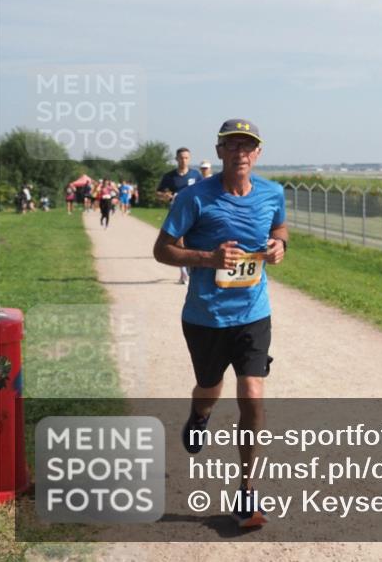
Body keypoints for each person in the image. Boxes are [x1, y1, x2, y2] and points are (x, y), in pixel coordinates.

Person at [152, 118, 287, 529]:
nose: (240, 153)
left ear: (257, 153)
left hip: (253, 313)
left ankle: (247, 491)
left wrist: (280, 244)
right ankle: (199, 415)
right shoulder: (194, 198)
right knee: (209, 389)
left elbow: (279, 226)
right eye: (232, 145)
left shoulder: (272, 192)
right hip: (205, 316)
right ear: (220, 151)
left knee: (252, 395)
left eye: (248, 146)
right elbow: (162, 250)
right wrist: (208, 258)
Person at [157, 148, 204, 284]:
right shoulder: (170, 176)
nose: (184, 160)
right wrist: (166, 196)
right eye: (181, 158)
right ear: (176, 159)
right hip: (177, 213)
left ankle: (193, 269)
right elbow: (158, 193)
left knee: (193, 241)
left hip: (194, 213)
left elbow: (204, 191)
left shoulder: (195, 175)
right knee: (179, 243)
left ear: (189, 159)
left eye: (186, 158)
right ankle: (184, 273)